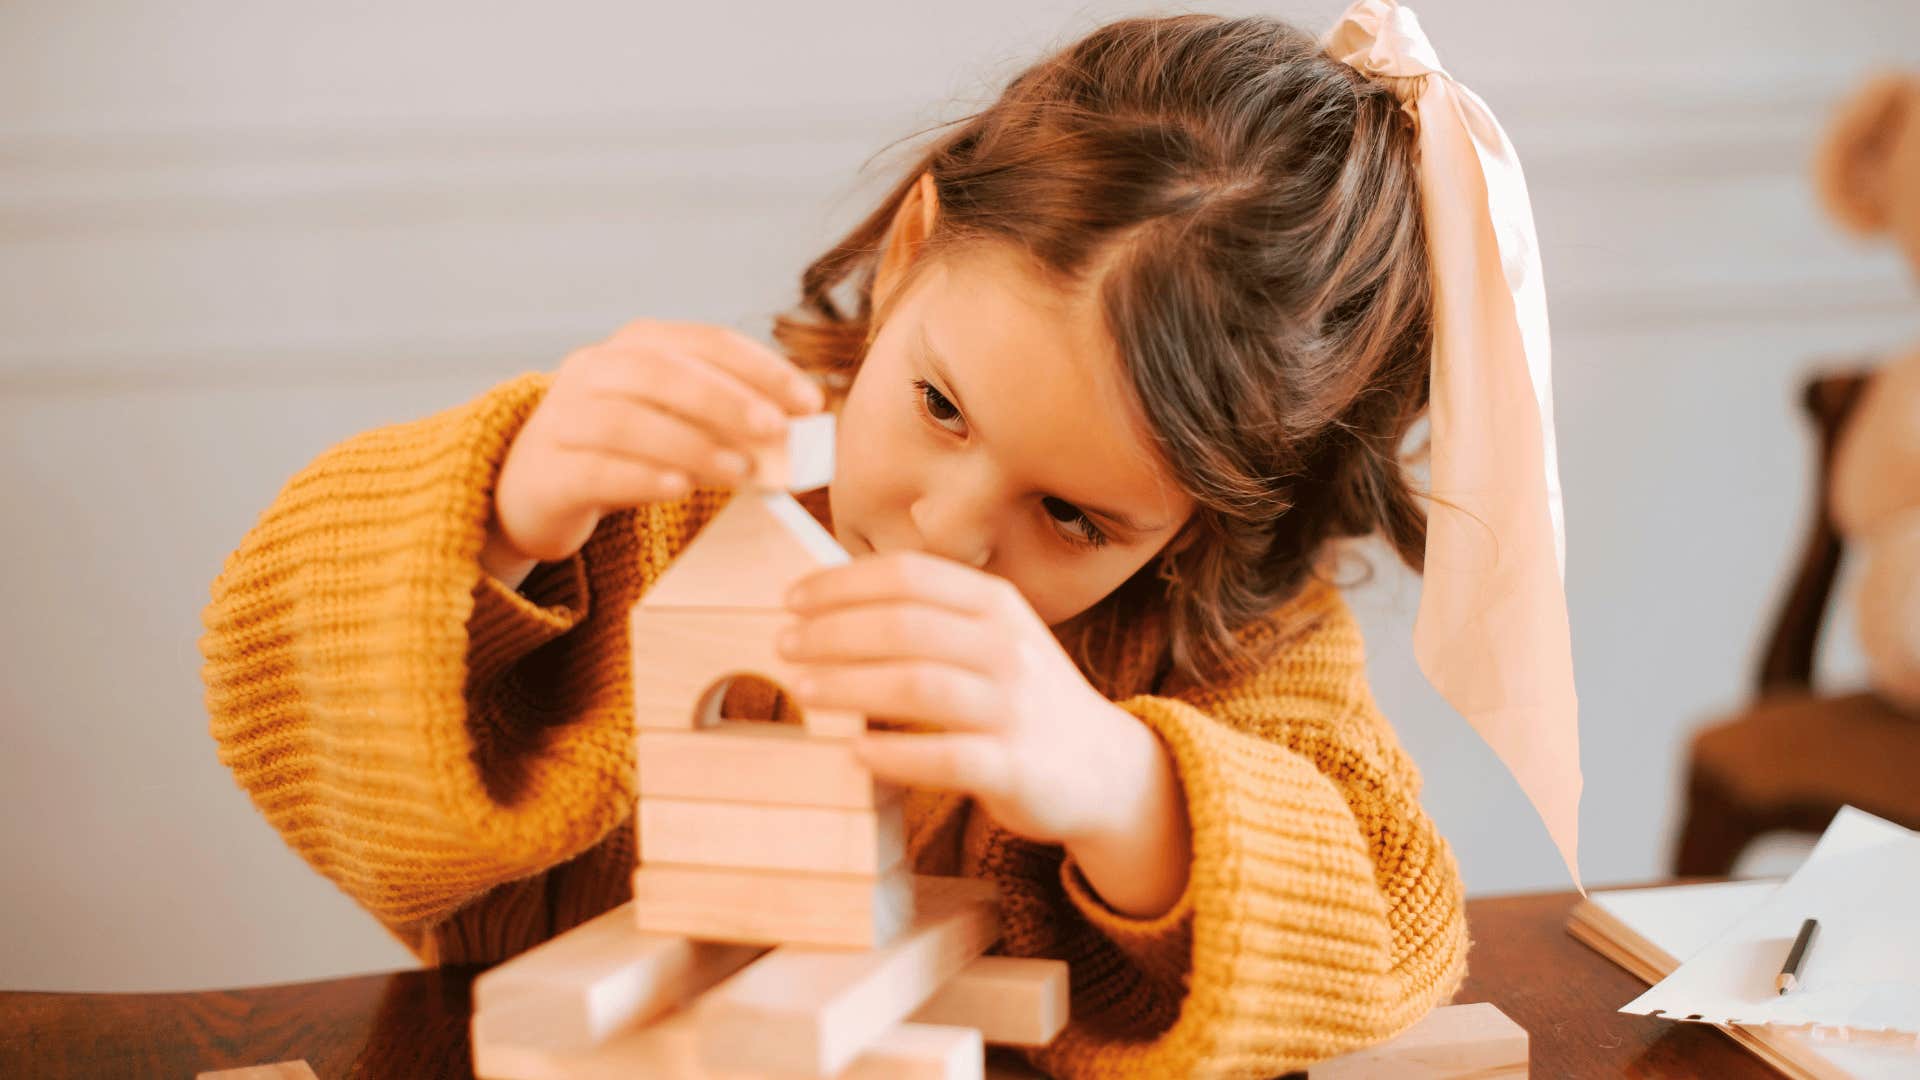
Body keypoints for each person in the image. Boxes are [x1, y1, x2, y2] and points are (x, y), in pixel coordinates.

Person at [202, 4, 1580, 1075]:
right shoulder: (673, 494)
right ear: (913, 246)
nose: (949, 528)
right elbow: (275, 680)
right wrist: (498, 515)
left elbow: (1396, 929)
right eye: (939, 405)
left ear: (1210, 521)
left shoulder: (1215, 641)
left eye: (1074, 515)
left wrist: (1119, 785)